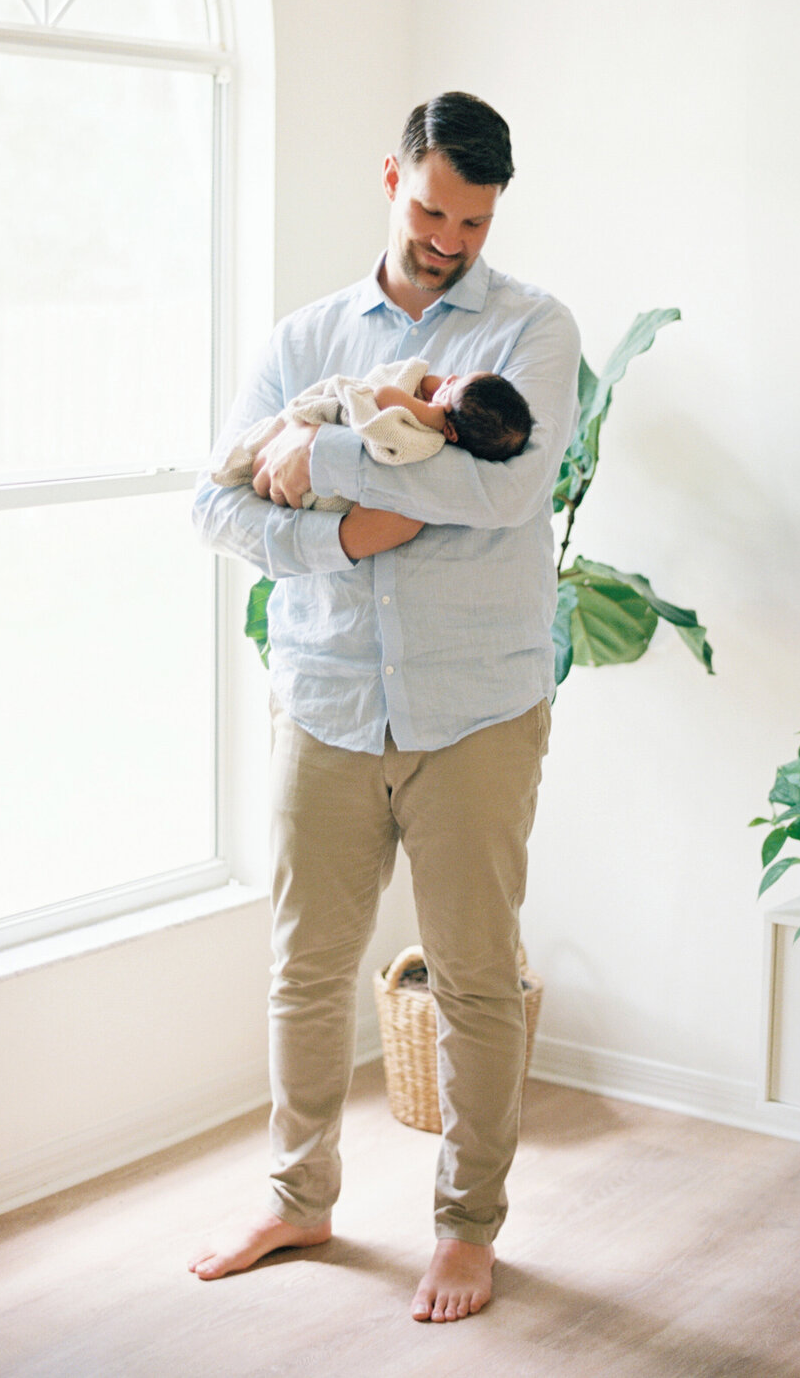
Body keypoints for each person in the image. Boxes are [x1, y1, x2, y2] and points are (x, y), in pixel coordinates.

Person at [189, 91, 580, 1323]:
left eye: (474, 218)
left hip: (477, 711)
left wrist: (321, 467)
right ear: (392, 179)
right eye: (432, 208)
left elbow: (509, 495)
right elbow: (216, 505)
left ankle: (468, 1229)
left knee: (473, 978)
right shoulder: (306, 339)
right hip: (325, 700)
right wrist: (354, 532)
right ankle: (297, 1194)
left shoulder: (534, 329)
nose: (451, 237)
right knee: (306, 968)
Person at [210, 357, 533, 511]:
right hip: (305, 445)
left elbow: (382, 397)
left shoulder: (427, 435)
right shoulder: (441, 424)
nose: (447, 378)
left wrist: (429, 411)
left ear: (450, 430)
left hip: (329, 460)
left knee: (261, 443)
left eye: (452, 387)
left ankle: (235, 463)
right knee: (275, 439)